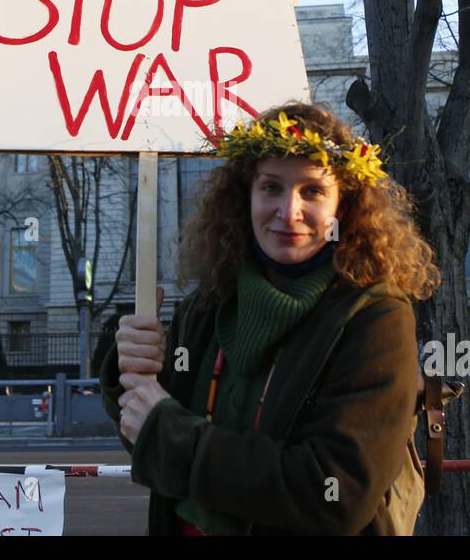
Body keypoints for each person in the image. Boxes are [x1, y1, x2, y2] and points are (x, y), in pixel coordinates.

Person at [100, 101, 440, 535]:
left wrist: (169, 435)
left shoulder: (374, 319)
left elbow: (334, 492)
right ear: (246, 196)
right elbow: (146, 436)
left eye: (313, 191)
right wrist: (128, 369)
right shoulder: (208, 305)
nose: (288, 211)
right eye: (271, 187)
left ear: (344, 206)